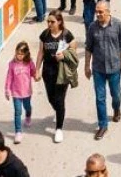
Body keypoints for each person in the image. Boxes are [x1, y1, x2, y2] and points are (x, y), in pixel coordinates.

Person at [85, 1, 121, 140]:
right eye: (97, 12)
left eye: (101, 12)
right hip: (98, 68)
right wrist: (87, 66)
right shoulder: (92, 27)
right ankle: (103, 125)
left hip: (114, 67)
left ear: (108, 12)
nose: (98, 14)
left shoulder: (118, 25)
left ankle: (116, 109)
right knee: (100, 97)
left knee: (116, 95)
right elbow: (88, 48)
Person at [36, 10, 77, 144]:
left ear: (59, 22)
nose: (49, 24)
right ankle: (59, 111)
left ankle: (59, 128)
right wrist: (37, 70)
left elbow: (74, 54)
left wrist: (64, 55)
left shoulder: (67, 35)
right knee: (51, 98)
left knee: (59, 99)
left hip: (62, 73)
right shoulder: (45, 35)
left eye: (52, 22)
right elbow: (41, 53)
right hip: (48, 72)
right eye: (48, 21)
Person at [3, 42, 36, 144]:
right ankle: (18, 132)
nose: (19, 56)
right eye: (17, 53)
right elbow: (9, 77)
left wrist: (36, 75)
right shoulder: (12, 64)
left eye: (21, 54)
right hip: (16, 93)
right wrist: (7, 90)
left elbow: (34, 73)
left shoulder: (29, 63)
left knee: (27, 107)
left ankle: (28, 116)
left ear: (26, 54)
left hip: (27, 92)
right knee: (17, 111)